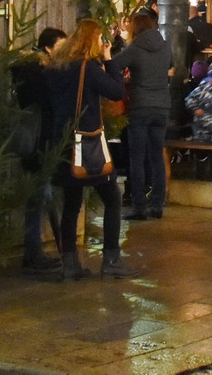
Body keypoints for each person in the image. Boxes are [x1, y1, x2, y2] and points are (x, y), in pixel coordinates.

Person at [44, 19, 138, 279]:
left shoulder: (56, 68)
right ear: (92, 40)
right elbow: (117, 91)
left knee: (72, 205)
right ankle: (111, 261)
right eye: (100, 39)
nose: (102, 44)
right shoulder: (89, 68)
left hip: (63, 143)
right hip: (87, 144)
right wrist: (109, 60)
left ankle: (70, 266)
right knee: (112, 198)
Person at [13, 26, 67, 272]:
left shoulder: (34, 70)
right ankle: (33, 255)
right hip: (38, 144)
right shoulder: (36, 72)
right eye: (60, 46)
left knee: (39, 198)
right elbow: (46, 102)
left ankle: (35, 252)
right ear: (48, 47)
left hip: (38, 142)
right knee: (37, 199)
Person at [109, 10, 171, 221]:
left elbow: (112, 66)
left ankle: (138, 207)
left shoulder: (134, 49)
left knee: (136, 157)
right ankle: (157, 205)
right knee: (156, 157)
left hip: (140, 107)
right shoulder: (165, 46)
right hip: (162, 106)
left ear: (135, 28)